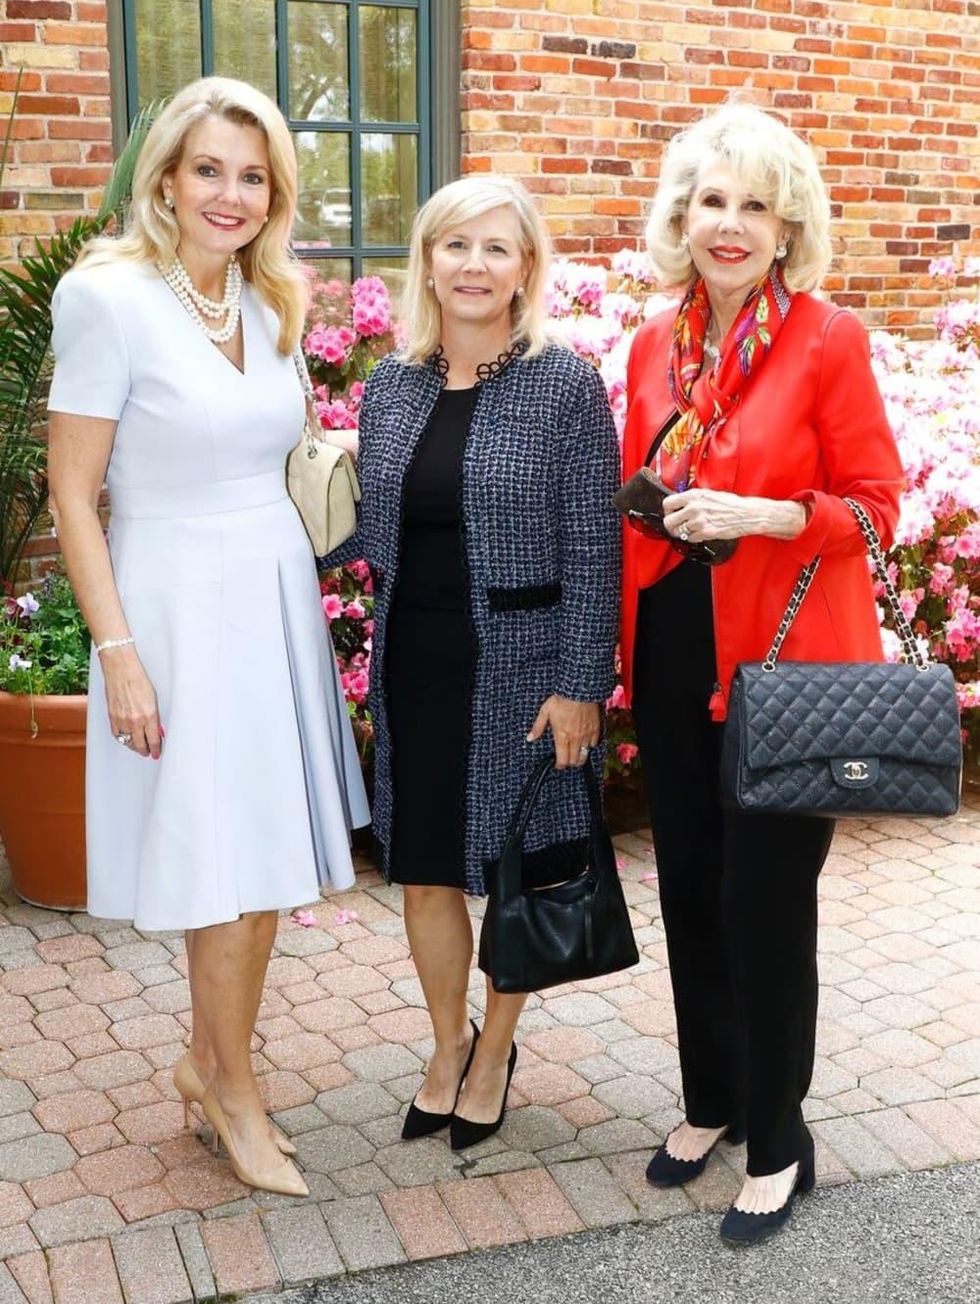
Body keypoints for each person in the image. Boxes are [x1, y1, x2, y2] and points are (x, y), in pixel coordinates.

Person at [47, 76, 369, 1198]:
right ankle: (230, 1087)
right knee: (214, 862)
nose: (230, 194)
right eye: (209, 170)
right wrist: (118, 650)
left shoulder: (274, 298)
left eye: (252, 174)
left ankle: (208, 1062)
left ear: (272, 192)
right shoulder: (108, 298)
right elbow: (73, 494)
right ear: (167, 180)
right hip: (173, 604)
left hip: (273, 597)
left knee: (264, 863)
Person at [620, 103, 904, 1244]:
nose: (727, 224)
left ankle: (779, 1136)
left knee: (764, 899)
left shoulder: (825, 339)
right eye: (708, 201)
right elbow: (632, 503)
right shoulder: (651, 345)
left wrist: (767, 510)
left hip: (788, 663)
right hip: (675, 642)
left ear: (786, 228)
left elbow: (877, 511)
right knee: (688, 880)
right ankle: (711, 1098)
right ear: (680, 218)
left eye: (751, 204)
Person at [327, 175, 620, 1149]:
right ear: (425, 260)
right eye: (454, 244)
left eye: (495, 247)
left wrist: (581, 682)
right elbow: (368, 531)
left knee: (516, 871)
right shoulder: (391, 387)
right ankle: (443, 1042)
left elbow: (592, 548)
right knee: (421, 869)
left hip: (525, 667)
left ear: (524, 267)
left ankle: (494, 1046)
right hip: (415, 657)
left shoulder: (563, 385)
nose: (472, 265)